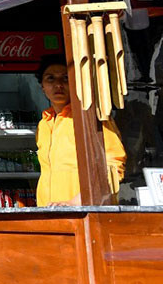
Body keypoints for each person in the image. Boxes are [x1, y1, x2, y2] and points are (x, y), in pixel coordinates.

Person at [34, 55, 126, 206]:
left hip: (86, 212)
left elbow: (114, 166)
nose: (58, 85)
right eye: (50, 78)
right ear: (42, 86)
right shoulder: (44, 124)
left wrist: (77, 201)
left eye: (65, 78)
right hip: (49, 212)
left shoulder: (90, 117)